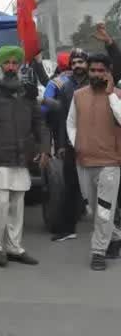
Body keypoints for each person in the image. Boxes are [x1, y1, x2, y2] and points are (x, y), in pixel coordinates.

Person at [0, 46, 49, 268]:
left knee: (17, 204)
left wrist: (44, 148)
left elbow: (39, 122)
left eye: (15, 63)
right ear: (0, 65)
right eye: (8, 63)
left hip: (21, 157)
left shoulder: (27, 91)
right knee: (0, 204)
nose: (12, 67)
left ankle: (14, 247)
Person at [65, 53, 121, 270]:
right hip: (84, 161)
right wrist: (76, 142)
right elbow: (71, 123)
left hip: (110, 163)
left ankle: (98, 251)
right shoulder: (78, 95)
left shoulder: (116, 95)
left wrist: (110, 95)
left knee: (105, 209)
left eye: (101, 71)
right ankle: (115, 236)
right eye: (93, 70)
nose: (96, 74)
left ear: (108, 72)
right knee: (94, 209)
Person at [41, 48, 90, 242]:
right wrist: (60, 145)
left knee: (102, 187)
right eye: (74, 63)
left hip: (96, 144)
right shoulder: (65, 87)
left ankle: (113, 231)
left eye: (81, 62)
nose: (78, 66)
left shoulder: (99, 83)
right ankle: (68, 228)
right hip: (71, 144)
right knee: (70, 187)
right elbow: (62, 117)